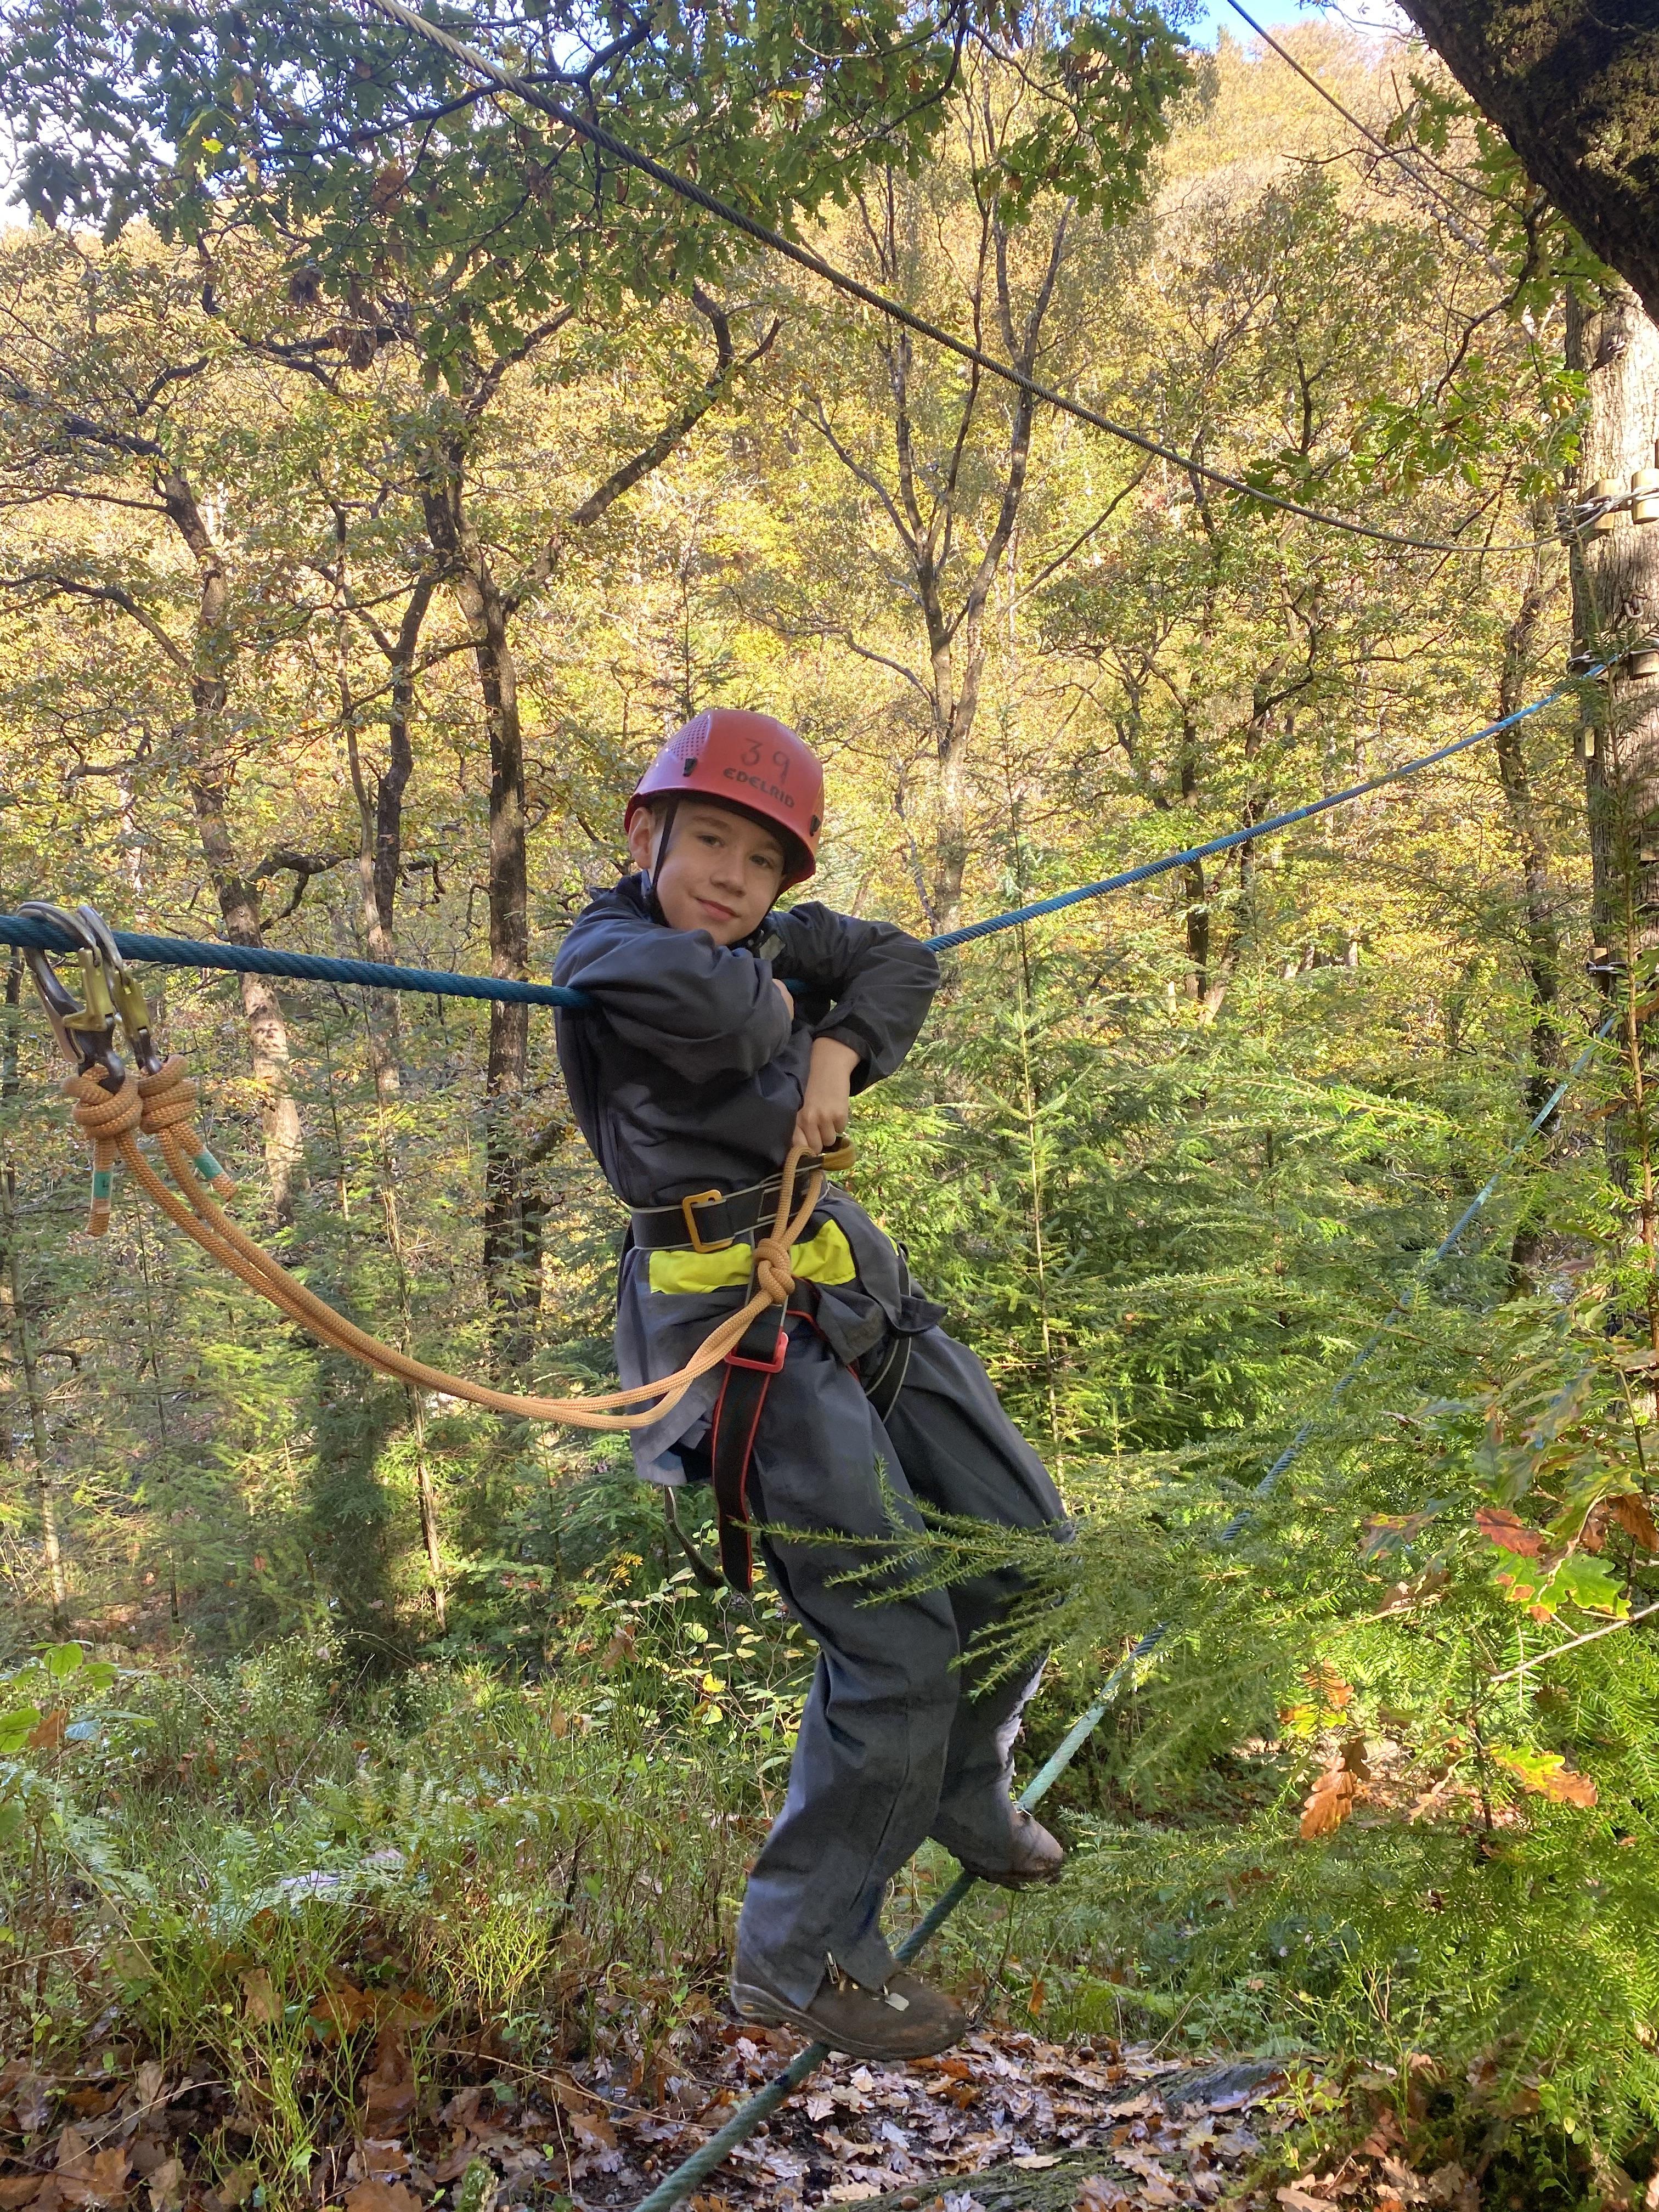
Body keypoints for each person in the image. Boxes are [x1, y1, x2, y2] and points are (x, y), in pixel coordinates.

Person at [553, 707, 1068, 2061]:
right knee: (896, 1646)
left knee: (1029, 1552)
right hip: (730, 1327)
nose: (732, 878)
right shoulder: (608, 955)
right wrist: (800, 1001)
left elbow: (900, 959)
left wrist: (839, 1047)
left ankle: (960, 1784)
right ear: (645, 834)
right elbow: (729, 1018)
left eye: (763, 861)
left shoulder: (764, 935)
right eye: (709, 842)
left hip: (838, 1275)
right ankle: (798, 1956)